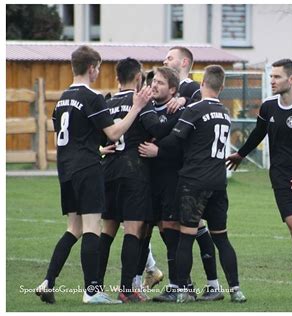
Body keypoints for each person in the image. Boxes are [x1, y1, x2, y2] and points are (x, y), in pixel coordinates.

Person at [35, 46, 152, 304]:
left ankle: (48, 281)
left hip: (65, 169)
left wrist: (96, 147)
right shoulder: (93, 97)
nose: (98, 73)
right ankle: (92, 291)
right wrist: (137, 106)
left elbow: (68, 137)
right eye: (98, 68)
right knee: (91, 228)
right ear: (91, 68)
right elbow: (113, 132)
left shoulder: (62, 98)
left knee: (73, 229)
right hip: (87, 169)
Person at [227, 59, 292, 303]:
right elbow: (258, 133)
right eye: (271, 76)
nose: (272, 81)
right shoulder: (268, 107)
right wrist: (241, 154)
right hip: (282, 178)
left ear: (291, 79)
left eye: (277, 77)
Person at [158, 65, 246, 303]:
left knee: (186, 236)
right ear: (223, 87)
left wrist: (156, 148)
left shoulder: (195, 109)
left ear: (202, 83)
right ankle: (235, 290)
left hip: (194, 180)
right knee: (222, 238)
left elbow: (175, 139)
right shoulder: (225, 112)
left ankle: (184, 292)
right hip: (218, 181)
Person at [138, 45, 221, 296]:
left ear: (184, 62)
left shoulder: (193, 91)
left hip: (189, 172)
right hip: (163, 174)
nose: (165, 59)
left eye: (170, 57)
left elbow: (185, 128)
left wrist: (185, 100)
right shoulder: (160, 95)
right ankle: (188, 283)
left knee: (193, 227)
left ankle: (195, 284)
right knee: (174, 227)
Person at [97, 57, 168, 303]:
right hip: (134, 173)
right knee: (133, 229)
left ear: (117, 79)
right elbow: (157, 128)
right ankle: (127, 290)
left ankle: (94, 287)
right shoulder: (139, 102)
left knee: (107, 230)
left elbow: (101, 136)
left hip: (109, 172)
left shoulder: (107, 103)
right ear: (139, 78)